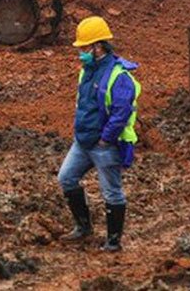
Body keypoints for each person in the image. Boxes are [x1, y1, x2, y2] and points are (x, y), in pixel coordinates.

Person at [57, 16, 142, 252]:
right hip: (83, 141)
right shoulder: (86, 71)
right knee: (66, 178)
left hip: (104, 145)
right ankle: (83, 228)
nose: (81, 52)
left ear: (98, 46)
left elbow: (121, 111)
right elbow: (82, 103)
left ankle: (113, 242)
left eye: (85, 48)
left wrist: (106, 138)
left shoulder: (119, 76)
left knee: (112, 193)